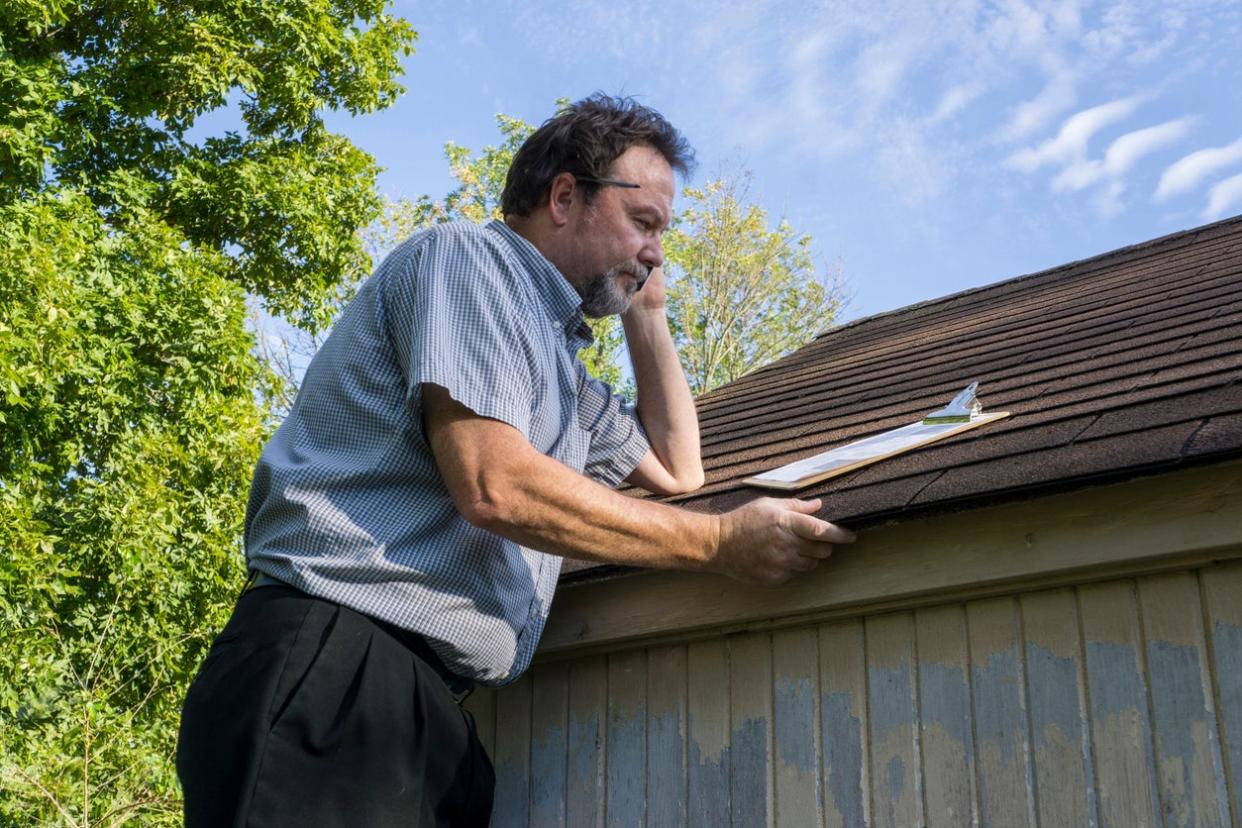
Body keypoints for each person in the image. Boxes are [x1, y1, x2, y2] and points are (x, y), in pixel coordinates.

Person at [176, 94, 855, 827]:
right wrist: (719, 543)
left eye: (662, 233)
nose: (656, 250)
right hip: (339, 674)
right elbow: (493, 482)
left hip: (430, 713)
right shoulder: (469, 264)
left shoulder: (561, 372)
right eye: (644, 222)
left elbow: (678, 470)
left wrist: (648, 312)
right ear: (566, 196)